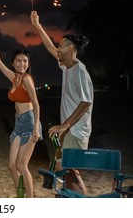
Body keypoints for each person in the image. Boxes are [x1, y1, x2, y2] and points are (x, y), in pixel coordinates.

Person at [30, 11, 93, 195]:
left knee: (70, 172)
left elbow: (86, 102)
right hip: (68, 130)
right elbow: (50, 48)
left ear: (71, 48)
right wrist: (37, 26)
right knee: (67, 171)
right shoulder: (67, 67)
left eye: (61, 46)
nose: (57, 49)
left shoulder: (80, 71)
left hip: (76, 130)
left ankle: (80, 202)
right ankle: (76, 200)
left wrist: (65, 125)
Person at [0, 28, 42, 198]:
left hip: (30, 122)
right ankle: (20, 195)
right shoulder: (14, 78)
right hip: (18, 123)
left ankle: (29, 201)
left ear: (28, 64)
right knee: (11, 165)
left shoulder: (26, 79)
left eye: (25, 61)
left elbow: (36, 104)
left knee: (22, 165)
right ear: (13, 63)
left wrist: (36, 129)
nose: (21, 64)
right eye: (18, 61)